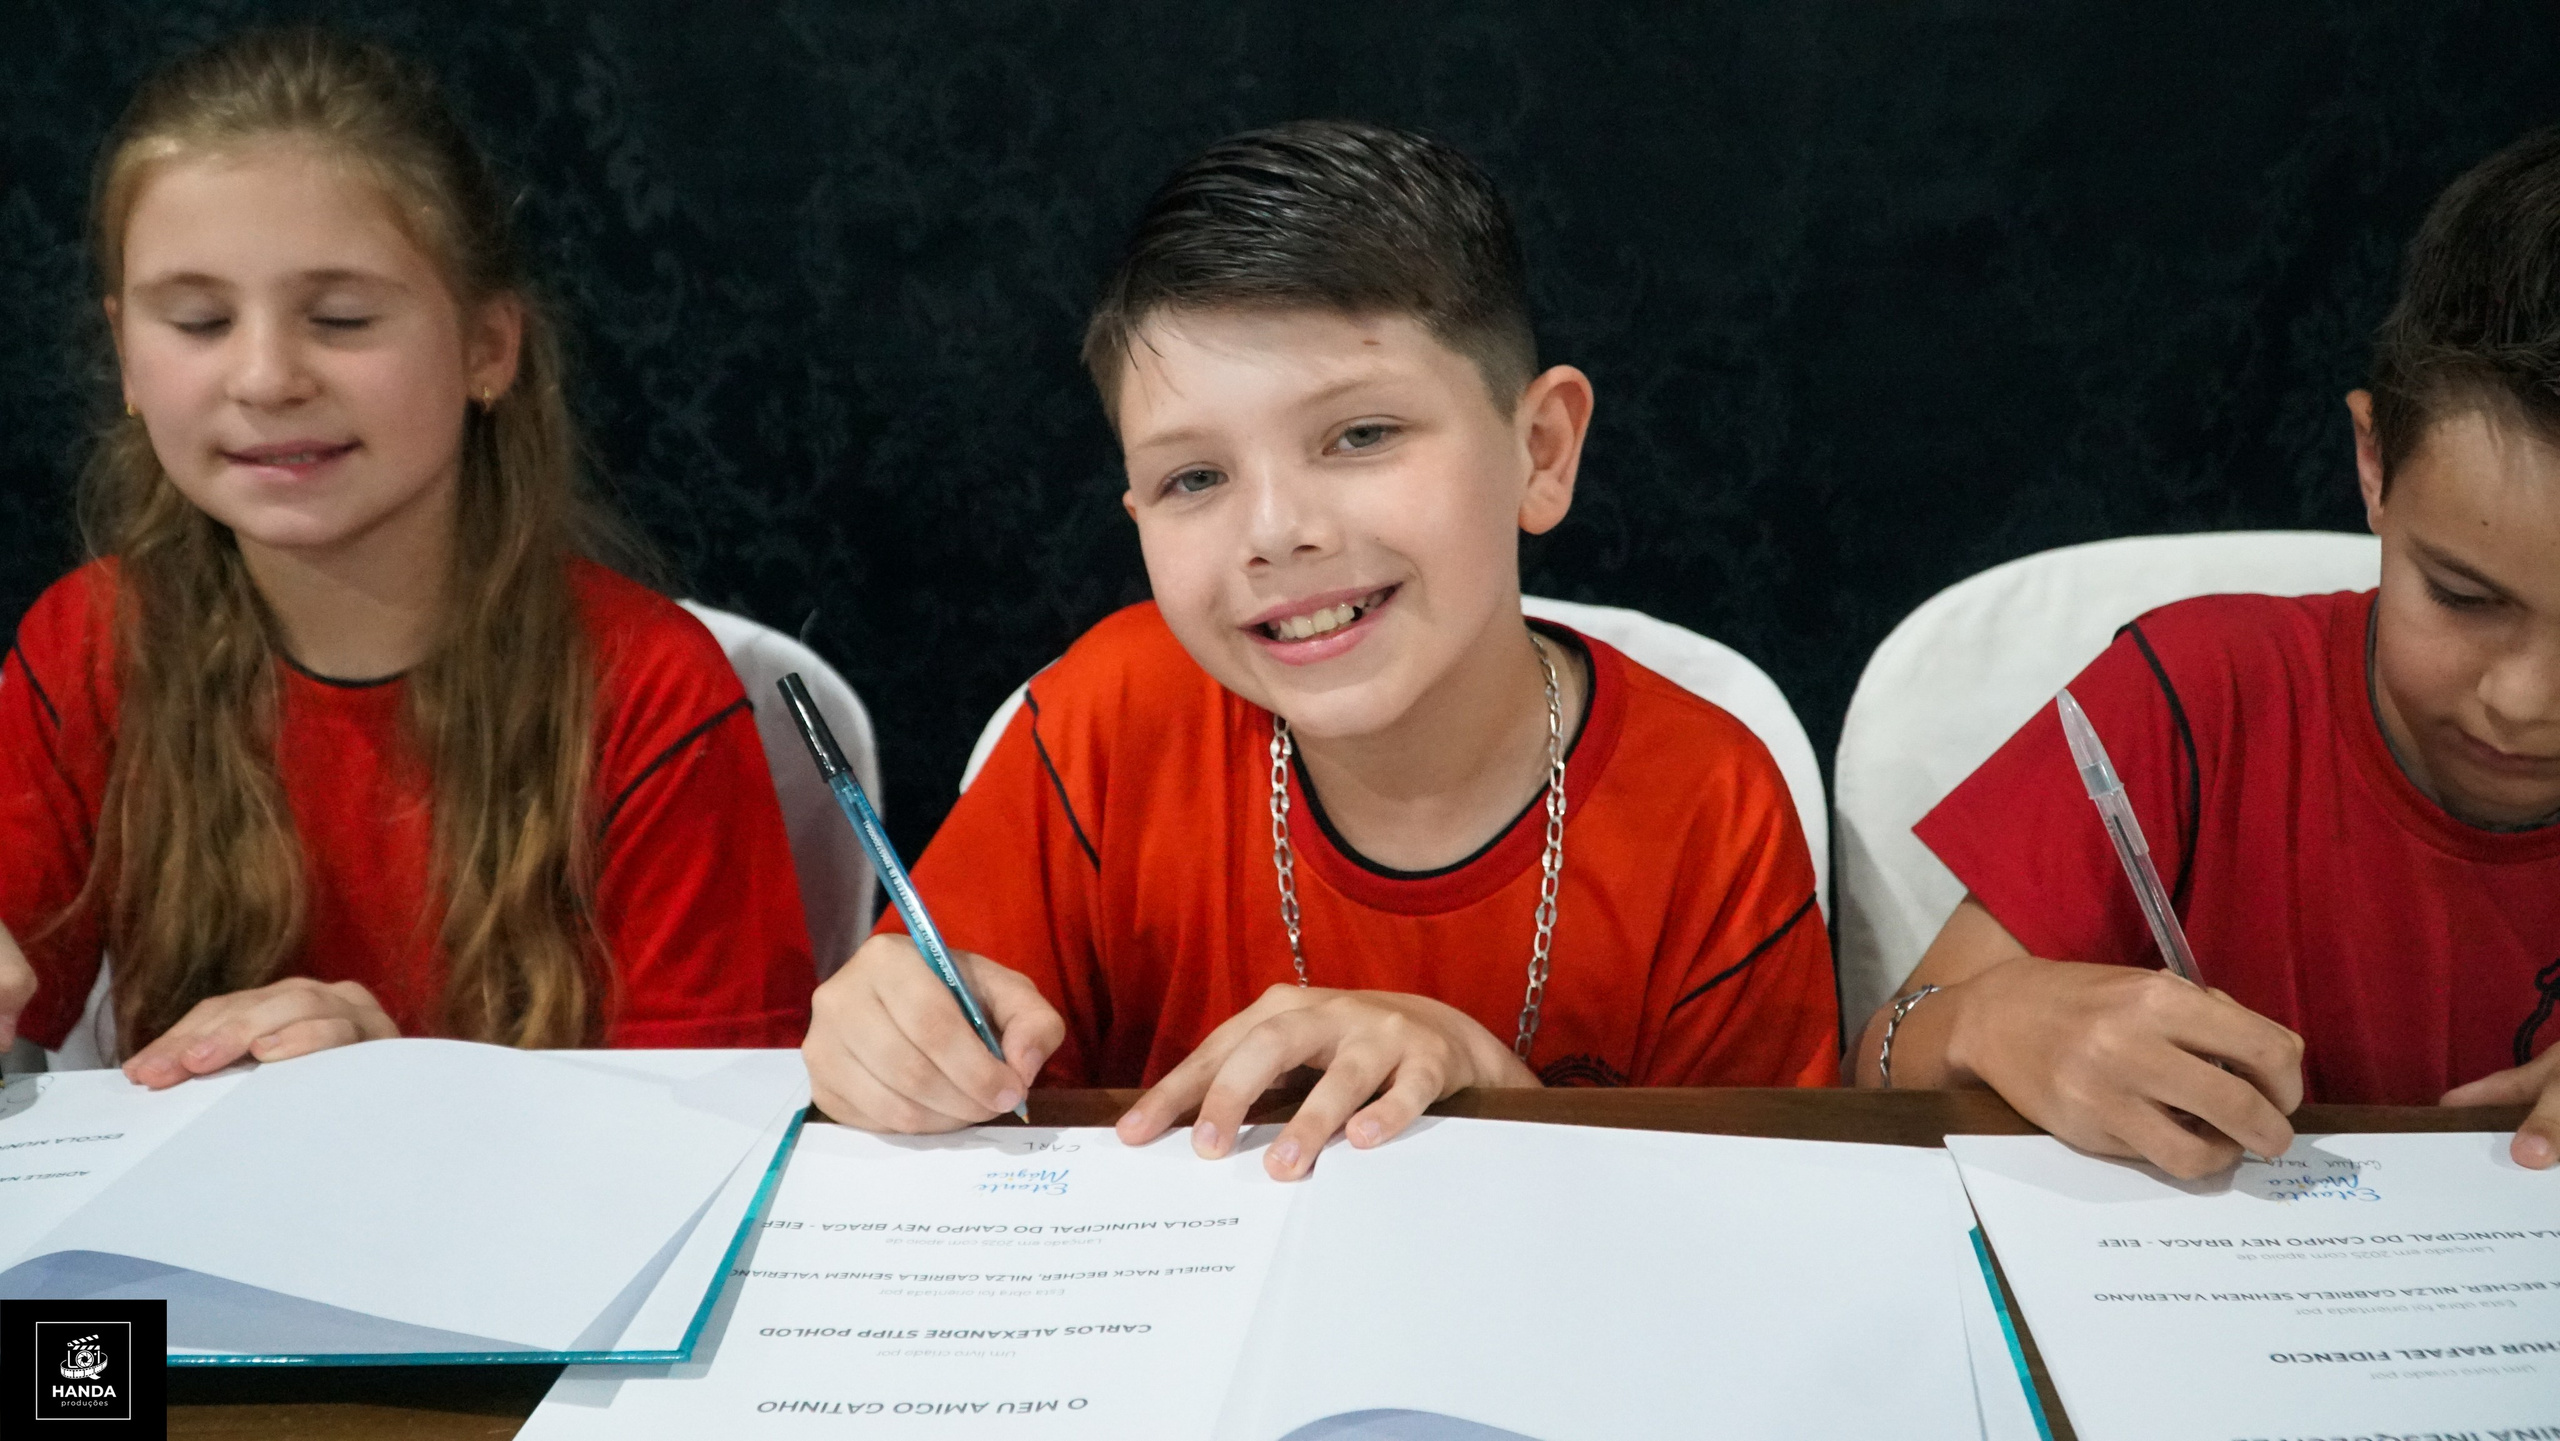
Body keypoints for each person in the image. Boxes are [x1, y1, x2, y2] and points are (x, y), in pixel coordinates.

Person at [804, 120, 1837, 1178]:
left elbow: (1762, 1219)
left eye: (1361, 434)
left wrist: (1492, 1086)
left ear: (1539, 452)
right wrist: (888, 1042)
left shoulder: (1708, 802)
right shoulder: (1104, 720)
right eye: (1195, 478)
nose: (1274, 531)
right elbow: (932, 1030)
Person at [0, 27, 814, 1085]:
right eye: (198, 321)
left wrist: (400, 1098)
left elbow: (719, 1125)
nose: (265, 377)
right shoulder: (87, 644)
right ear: (125, 355)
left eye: (341, 319)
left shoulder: (648, 690)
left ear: (488, 347)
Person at [1852, 127, 2560, 1175]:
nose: (2526, 700)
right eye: (2461, 597)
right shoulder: (2197, 697)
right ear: (2373, 463)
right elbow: (1880, 1062)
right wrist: (1983, 1021)